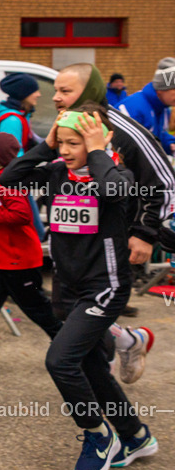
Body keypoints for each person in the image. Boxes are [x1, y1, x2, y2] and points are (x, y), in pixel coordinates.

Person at [0, 105, 158, 470]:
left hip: (105, 288)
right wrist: (47, 145)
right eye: (63, 142)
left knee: (60, 361)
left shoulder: (117, 173)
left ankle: (97, 433)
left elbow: (112, 189)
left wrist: (98, 147)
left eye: (76, 142)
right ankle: (134, 435)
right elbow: (10, 177)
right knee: (90, 365)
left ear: (98, 141)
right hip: (66, 290)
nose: (67, 150)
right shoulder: (57, 172)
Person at [52, 63, 169, 333]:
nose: (55, 97)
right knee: (66, 313)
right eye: (56, 90)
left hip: (112, 243)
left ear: (89, 92)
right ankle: (122, 343)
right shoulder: (66, 125)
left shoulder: (122, 130)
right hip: (73, 247)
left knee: (89, 317)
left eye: (65, 91)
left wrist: (145, 232)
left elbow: (164, 181)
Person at [0, 132, 61, 368]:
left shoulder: (8, 182)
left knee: (37, 309)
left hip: (19, 261)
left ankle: (68, 345)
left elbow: (21, 215)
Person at [118, 57, 175, 155]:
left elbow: (157, 135)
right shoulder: (133, 108)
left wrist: (170, 144)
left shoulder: (163, 107)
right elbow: (125, 147)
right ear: (161, 89)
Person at [0, 72, 42, 154]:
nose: (39, 94)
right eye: (34, 91)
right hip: (16, 166)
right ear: (23, 93)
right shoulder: (12, 120)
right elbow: (13, 153)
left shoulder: (23, 116)